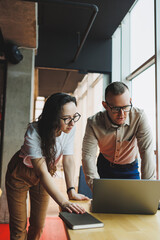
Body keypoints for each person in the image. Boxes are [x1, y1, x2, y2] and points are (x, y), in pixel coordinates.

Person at [5, 92, 89, 240]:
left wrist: (71, 191)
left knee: (38, 226)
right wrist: (63, 202)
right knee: (18, 229)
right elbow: (42, 172)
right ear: (53, 118)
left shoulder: (69, 128)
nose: (72, 123)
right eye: (66, 119)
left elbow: (68, 158)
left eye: (74, 116)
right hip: (20, 174)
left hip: (44, 174)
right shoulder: (34, 131)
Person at [82, 81, 156, 191]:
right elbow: (88, 156)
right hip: (104, 167)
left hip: (130, 168)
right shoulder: (93, 122)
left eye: (125, 107)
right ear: (105, 105)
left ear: (130, 101)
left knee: (136, 204)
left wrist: (149, 189)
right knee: (105, 205)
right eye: (116, 109)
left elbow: (146, 151)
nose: (122, 114)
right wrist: (96, 188)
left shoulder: (139, 117)